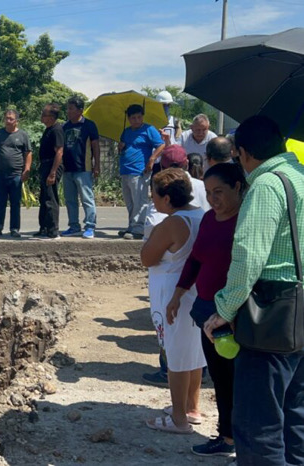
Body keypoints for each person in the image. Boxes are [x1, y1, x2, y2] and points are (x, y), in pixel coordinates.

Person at [205, 115, 304, 465]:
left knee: (257, 420)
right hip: (299, 310)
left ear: (242, 153)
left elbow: (248, 256)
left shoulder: (266, 185)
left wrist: (224, 309)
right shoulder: (300, 177)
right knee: (295, 414)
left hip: (270, 314)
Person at [166, 163, 246, 457]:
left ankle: (239, 437)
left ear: (238, 187)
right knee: (221, 377)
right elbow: (195, 260)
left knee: (239, 377)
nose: (213, 199)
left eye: (220, 192)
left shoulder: (245, 221)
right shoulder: (211, 219)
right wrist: (177, 295)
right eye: (209, 193)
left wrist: (233, 312)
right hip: (207, 312)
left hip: (234, 312)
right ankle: (227, 436)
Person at [141, 168, 205, 434]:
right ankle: (192, 407)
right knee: (193, 353)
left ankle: (179, 417)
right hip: (195, 290)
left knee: (175, 355)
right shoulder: (201, 215)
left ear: (167, 198)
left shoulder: (172, 223)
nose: (153, 200)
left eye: (154, 195)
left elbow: (147, 257)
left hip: (172, 292)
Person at [118, 104, 165, 240]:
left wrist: (152, 158)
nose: (137, 120)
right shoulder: (126, 132)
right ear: (129, 118)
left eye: (139, 117)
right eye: (133, 118)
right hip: (125, 170)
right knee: (130, 201)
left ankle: (139, 229)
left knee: (140, 200)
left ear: (142, 117)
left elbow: (161, 145)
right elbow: (122, 148)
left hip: (139, 170)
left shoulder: (149, 129)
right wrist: (120, 147)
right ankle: (131, 226)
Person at [60, 96, 100, 239]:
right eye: (68, 108)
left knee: (87, 199)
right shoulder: (65, 126)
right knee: (70, 200)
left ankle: (90, 226)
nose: (68, 111)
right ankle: (74, 226)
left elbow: (95, 146)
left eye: (71, 109)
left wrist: (97, 165)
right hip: (68, 168)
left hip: (84, 168)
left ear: (80, 110)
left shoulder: (89, 125)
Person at [0, 109, 31, 238]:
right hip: (0, 174)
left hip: (16, 175)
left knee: (15, 204)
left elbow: (28, 153)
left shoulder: (23, 135)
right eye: (6, 118)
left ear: (16, 121)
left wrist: (26, 170)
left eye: (11, 119)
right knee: (0, 203)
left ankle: (14, 228)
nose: (8, 121)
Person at [35, 103, 64, 239]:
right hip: (45, 165)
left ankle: (53, 230)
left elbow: (59, 151)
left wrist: (53, 172)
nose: (42, 117)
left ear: (51, 117)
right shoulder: (48, 129)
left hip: (52, 165)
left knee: (51, 198)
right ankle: (44, 227)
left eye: (44, 115)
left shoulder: (56, 130)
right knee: (44, 197)